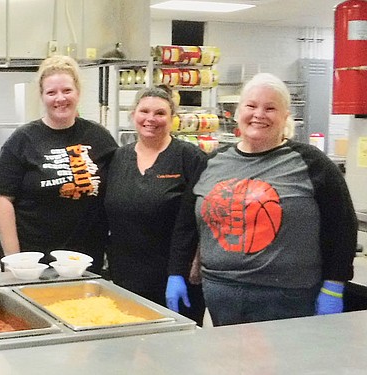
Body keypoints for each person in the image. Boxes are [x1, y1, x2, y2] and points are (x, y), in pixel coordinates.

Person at [166, 73, 357, 326]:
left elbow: (343, 226)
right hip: (221, 294)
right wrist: (176, 272)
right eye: (251, 106)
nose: (259, 114)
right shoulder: (212, 162)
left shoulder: (312, 163)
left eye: (270, 108)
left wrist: (334, 284)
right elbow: (187, 224)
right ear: (237, 113)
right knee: (230, 364)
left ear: (286, 117)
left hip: (288, 297)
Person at [0, 55, 117, 270]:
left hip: (86, 261)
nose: (60, 98)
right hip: (34, 264)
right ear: (42, 96)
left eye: (67, 90)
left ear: (77, 92)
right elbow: (2, 200)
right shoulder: (22, 141)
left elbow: (116, 193)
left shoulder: (99, 137)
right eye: (51, 92)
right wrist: (14, 262)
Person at [103, 86, 207, 325]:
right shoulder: (118, 158)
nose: (151, 119)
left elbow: (196, 222)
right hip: (125, 278)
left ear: (173, 120)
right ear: (133, 115)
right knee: (128, 351)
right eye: (144, 111)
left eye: (160, 113)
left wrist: (179, 273)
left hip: (176, 280)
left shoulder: (191, 158)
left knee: (175, 354)